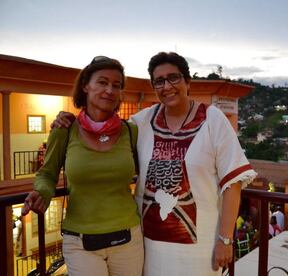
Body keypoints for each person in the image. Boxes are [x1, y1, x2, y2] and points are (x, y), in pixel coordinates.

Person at [53, 52, 257, 275]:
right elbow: (102, 128)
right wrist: (72, 122)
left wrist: (225, 240)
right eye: (159, 81)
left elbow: (232, 183)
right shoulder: (142, 122)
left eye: (174, 78)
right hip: (149, 247)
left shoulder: (213, 120)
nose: (167, 86)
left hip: (199, 251)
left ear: (187, 81)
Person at [22, 56, 144, 276]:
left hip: (128, 237)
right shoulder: (65, 129)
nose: (109, 90)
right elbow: (47, 174)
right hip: (80, 240)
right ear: (86, 86)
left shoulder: (130, 131)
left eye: (116, 85)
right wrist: (41, 192)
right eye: (102, 82)